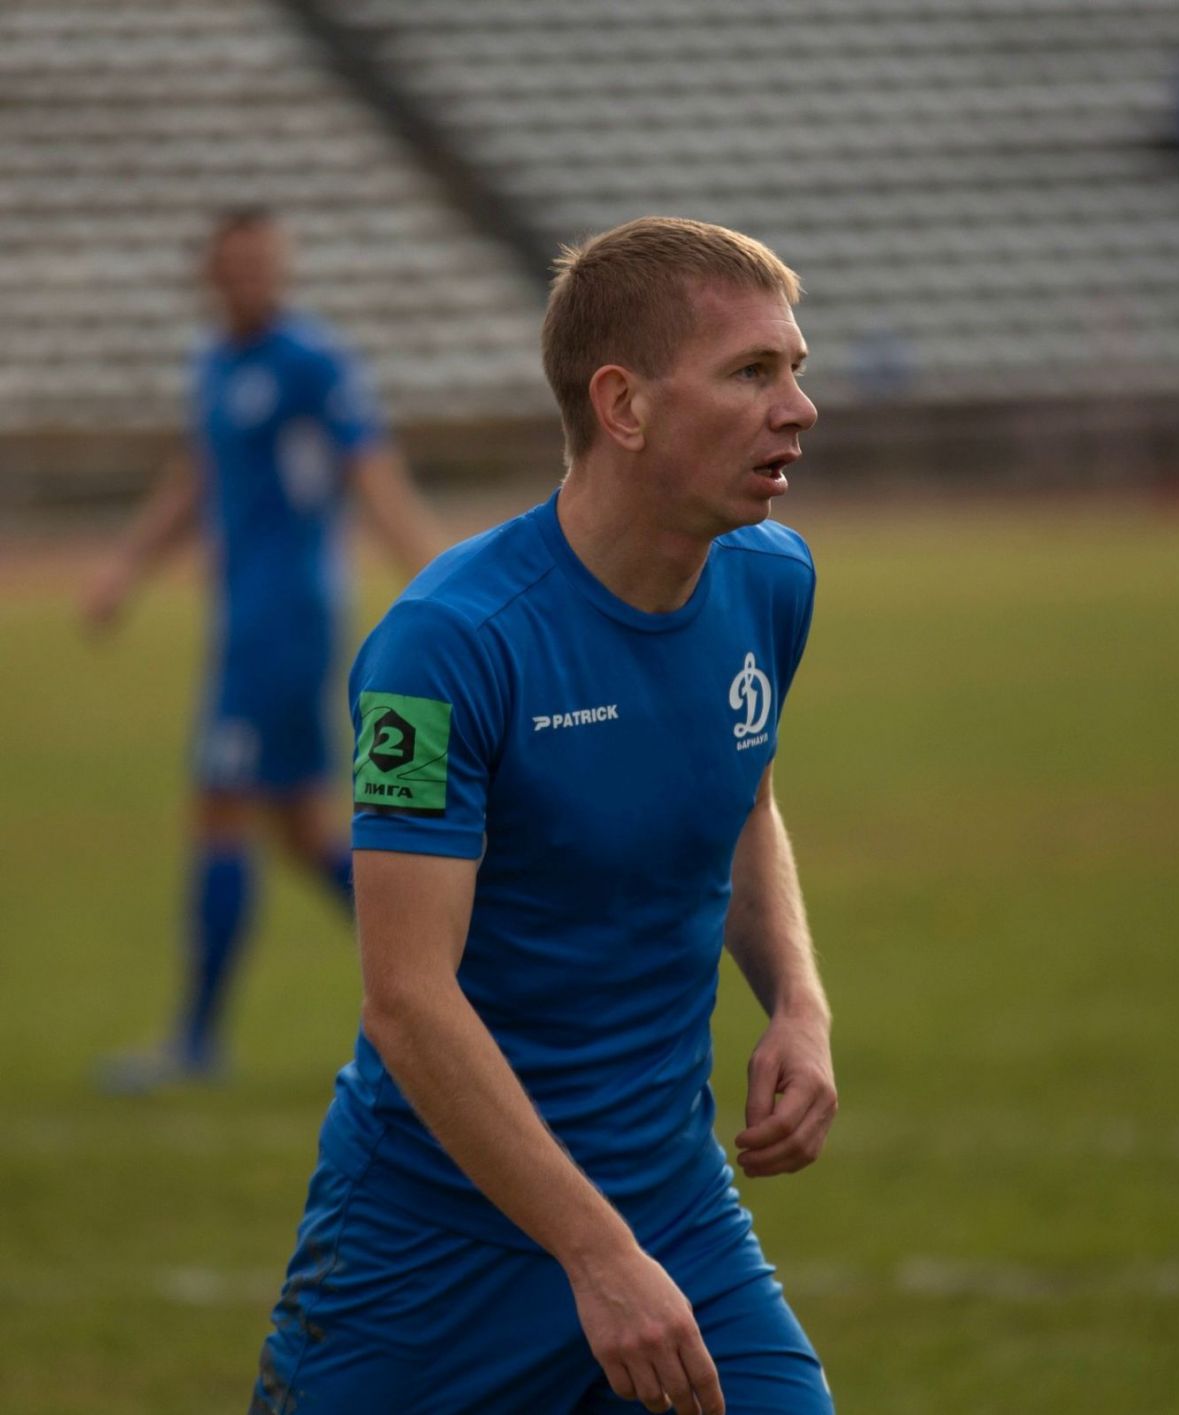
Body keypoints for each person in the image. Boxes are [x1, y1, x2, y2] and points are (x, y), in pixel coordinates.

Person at [251, 216, 837, 1415]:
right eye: (751, 372)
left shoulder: (774, 579)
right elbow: (407, 996)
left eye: (795, 367)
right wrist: (595, 1254)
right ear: (623, 405)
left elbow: (745, 795)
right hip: (429, 1252)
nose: (799, 408)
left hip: (672, 1213)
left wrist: (798, 1000)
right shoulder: (444, 648)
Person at [83, 207, 443, 1092]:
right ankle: (455, 975)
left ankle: (197, 1041)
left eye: (265, 263)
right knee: (302, 828)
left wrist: (441, 585)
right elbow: (199, 475)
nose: (253, 278)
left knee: (220, 807)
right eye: (236, 264)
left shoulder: (312, 363)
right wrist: (128, 566)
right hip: (246, 619)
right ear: (210, 274)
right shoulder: (213, 364)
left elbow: (373, 472)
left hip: (286, 622)